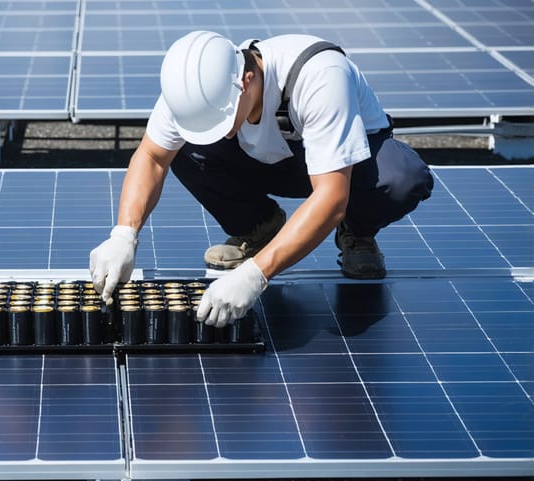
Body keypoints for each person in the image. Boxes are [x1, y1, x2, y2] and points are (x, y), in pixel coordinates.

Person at [89, 31, 433, 328]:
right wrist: (124, 235)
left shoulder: (320, 76)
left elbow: (330, 198)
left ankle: (358, 233)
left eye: (219, 121)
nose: (218, 134)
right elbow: (151, 157)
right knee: (183, 149)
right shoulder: (194, 85)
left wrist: (256, 274)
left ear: (246, 82)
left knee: (401, 178)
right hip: (270, 158)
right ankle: (259, 227)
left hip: (343, 167)